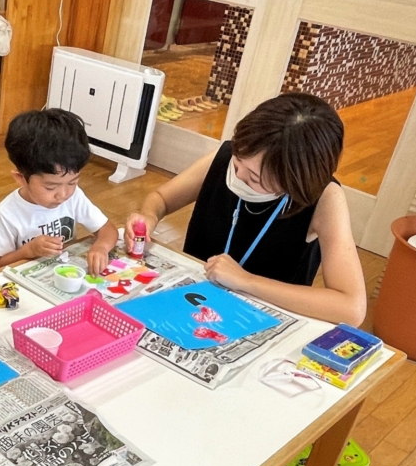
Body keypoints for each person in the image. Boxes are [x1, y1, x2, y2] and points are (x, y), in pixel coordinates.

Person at [126, 92, 367, 325]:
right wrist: (148, 216)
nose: (239, 175)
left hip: (257, 318)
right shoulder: (226, 159)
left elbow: (351, 307)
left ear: (294, 181)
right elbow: (161, 199)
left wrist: (246, 281)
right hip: (191, 302)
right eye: (238, 161)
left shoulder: (324, 198)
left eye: (254, 178)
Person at [0, 108, 120, 276]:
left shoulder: (74, 197)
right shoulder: (7, 213)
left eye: (72, 182)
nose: (63, 194)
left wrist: (101, 247)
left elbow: (108, 230)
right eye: (50, 187)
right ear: (21, 178)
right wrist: (29, 250)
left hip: (64, 273)